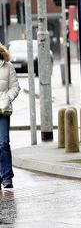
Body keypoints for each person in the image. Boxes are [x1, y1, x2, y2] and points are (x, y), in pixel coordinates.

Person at [0, 44, 20, 189]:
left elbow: (15, 87)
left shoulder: (8, 67)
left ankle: (7, 178)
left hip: (3, 110)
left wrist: (7, 99)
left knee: (3, 143)